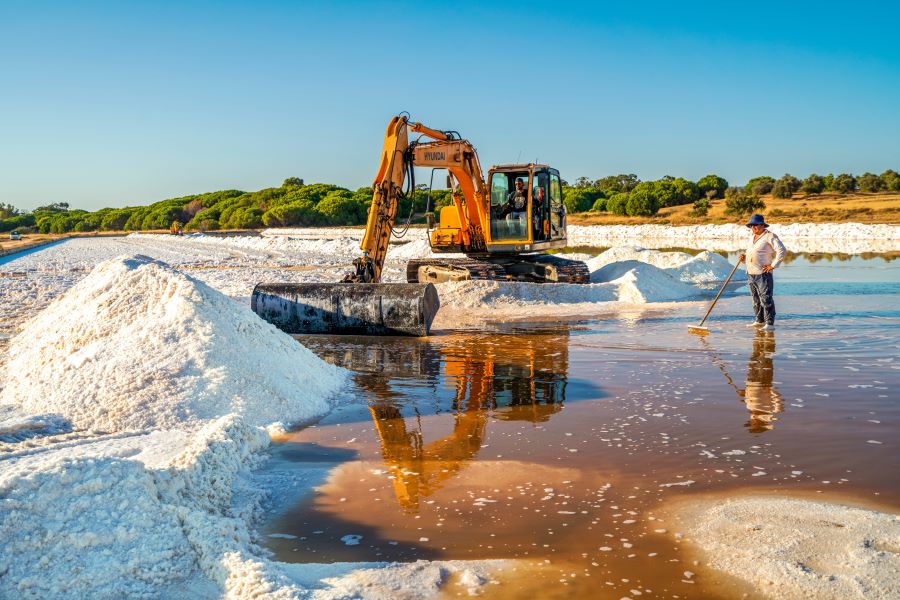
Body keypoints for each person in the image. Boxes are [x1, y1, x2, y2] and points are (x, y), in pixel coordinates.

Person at [738, 214, 786, 331]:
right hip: (750, 272)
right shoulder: (752, 236)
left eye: (755, 225)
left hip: (763, 273)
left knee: (766, 298)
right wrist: (744, 259)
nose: (753, 228)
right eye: (751, 226)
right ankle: (759, 320)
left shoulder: (769, 236)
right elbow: (752, 253)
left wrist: (773, 266)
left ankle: (769, 323)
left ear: (762, 225)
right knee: (755, 299)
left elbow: (782, 250)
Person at [738, 331, 783, 433]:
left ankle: (759, 336)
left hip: (751, 381)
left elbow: (752, 398)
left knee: (754, 357)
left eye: (751, 423)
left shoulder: (751, 410)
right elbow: (779, 405)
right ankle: (767, 337)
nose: (751, 421)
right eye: (753, 424)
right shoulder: (768, 414)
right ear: (759, 424)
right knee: (765, 358)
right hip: (763, 381)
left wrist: (744, 394)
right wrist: (771, 389)